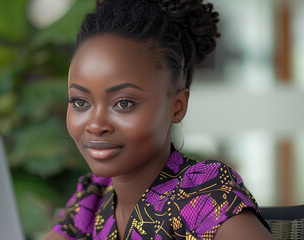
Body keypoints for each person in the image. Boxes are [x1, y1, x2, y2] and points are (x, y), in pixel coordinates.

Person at [43, 0, 274, 239]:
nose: (95, 125)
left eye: (123, 103)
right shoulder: (94, 197)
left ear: (177, 106)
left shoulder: (204, 196)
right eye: (81, 102)